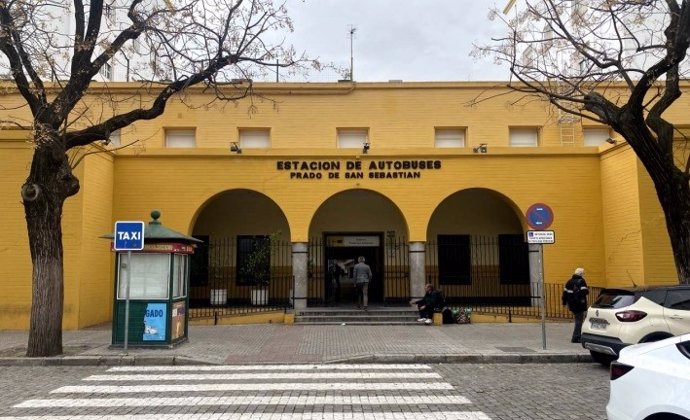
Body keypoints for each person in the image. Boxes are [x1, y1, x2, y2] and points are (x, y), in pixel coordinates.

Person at [562, 267, 589, 343]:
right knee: (579, 320)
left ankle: (577, 336)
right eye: (583, 273)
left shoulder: (569, 281)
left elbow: (565, 293)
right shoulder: (581, 281)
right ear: (581, 274)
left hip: (571, 304)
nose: (583, 275)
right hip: (579, 304)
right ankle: (576, 337)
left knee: (577, 319)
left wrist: (564, 302)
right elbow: (585, 292)